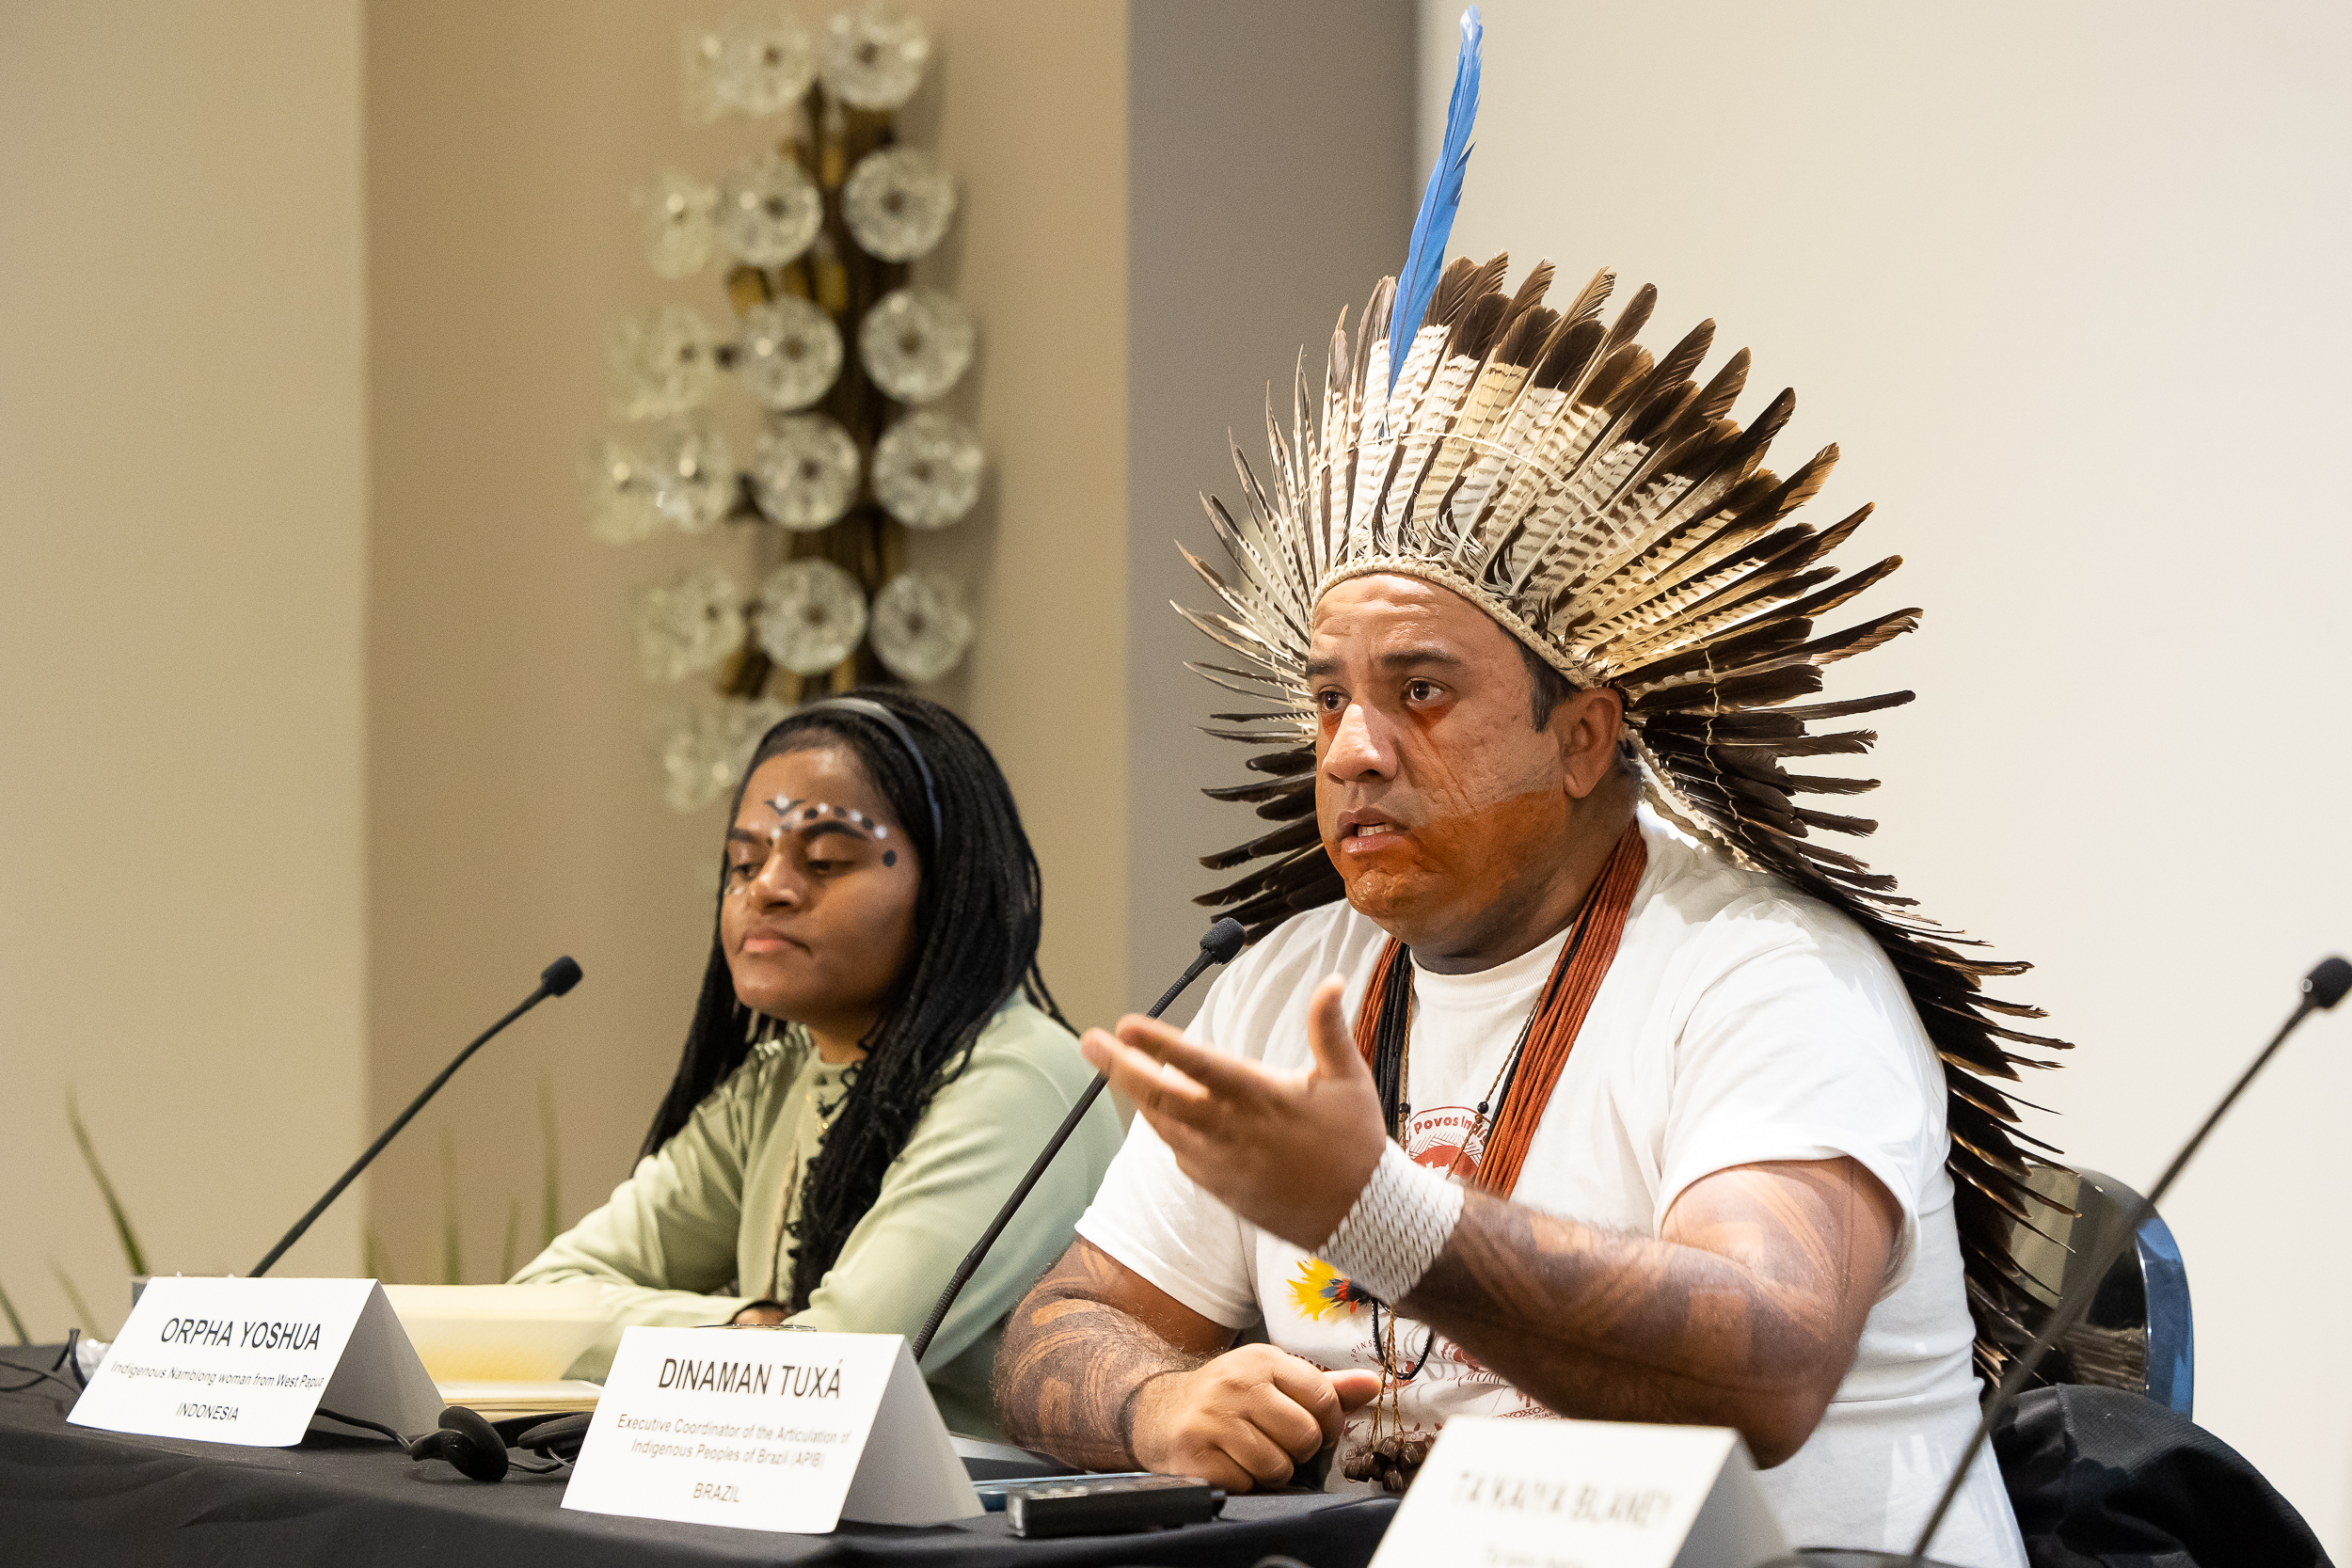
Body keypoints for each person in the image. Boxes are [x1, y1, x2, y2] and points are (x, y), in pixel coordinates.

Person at [993, 232, 2058, 1567]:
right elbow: (1058, 1323)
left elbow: (1767, 1362)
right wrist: (1158, 1399)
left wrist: (1375, 1207)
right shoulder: (1290, 976)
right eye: (1331, 695)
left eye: (1419, 691)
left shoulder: (1771, 975)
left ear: (1585, 735)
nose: (1350, 749)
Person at [515, 691, 1121, 1438]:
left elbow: (836, 1365)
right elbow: (538, 1304)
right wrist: (746, 1324)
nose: (766, 887)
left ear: (945, 888)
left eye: (826, 858)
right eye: (743, 861)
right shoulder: (774, 1084)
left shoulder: (1019, 1079)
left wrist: (771, 1341)